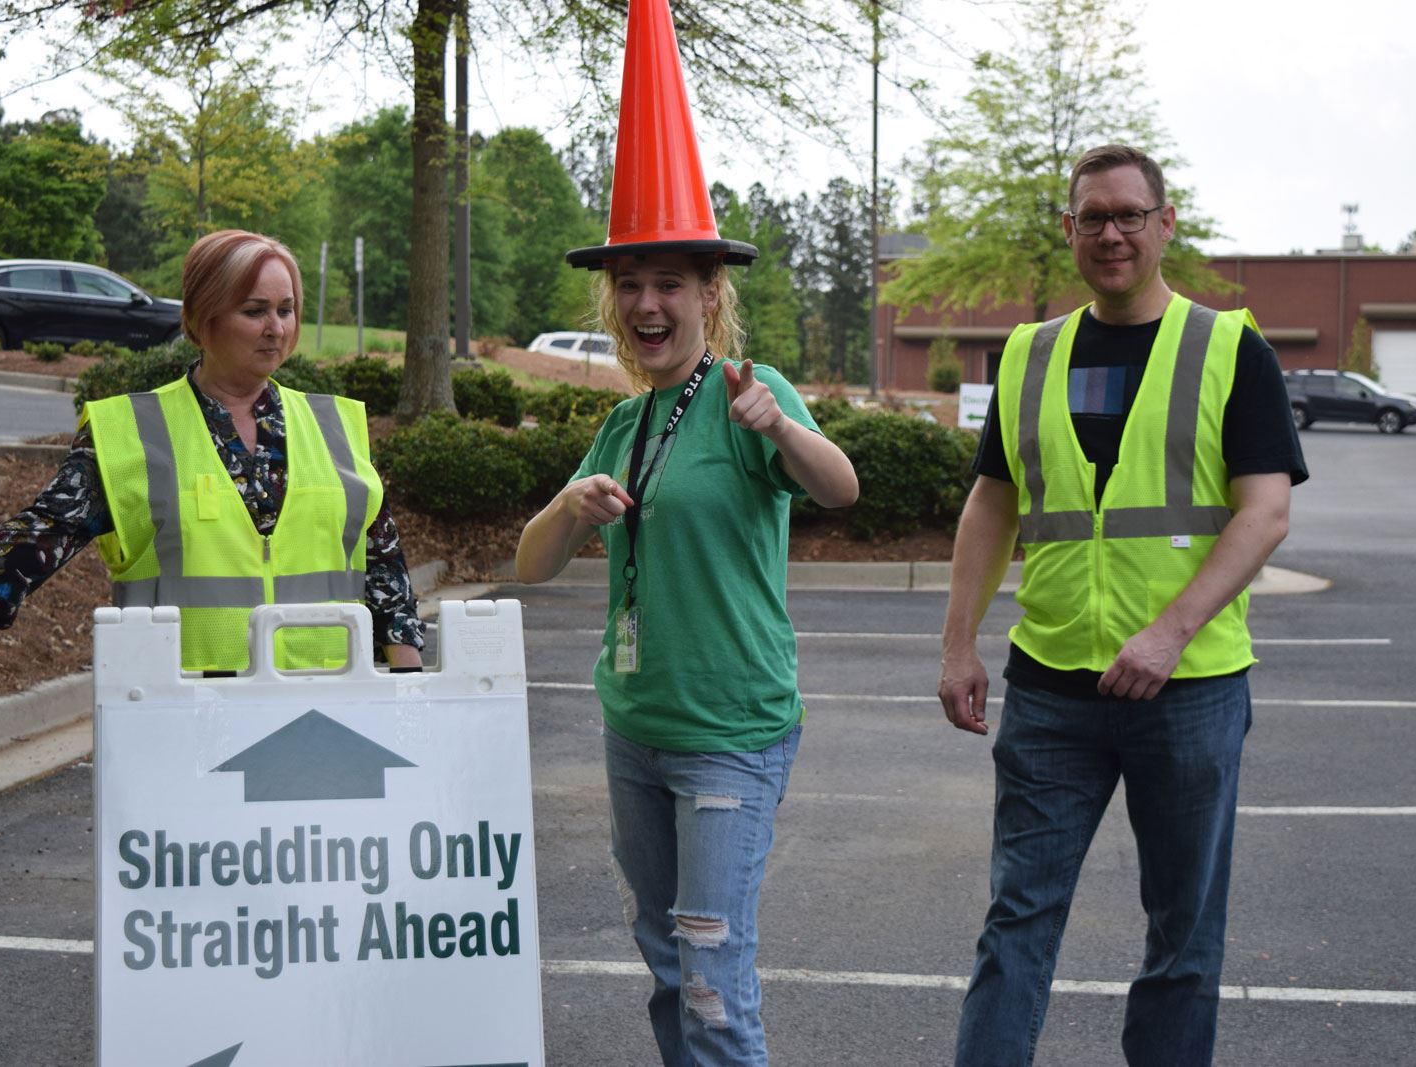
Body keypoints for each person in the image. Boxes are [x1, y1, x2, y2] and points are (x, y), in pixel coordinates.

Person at [937, 144, 1307, 1066]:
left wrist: (1168, 634)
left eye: (1129, 215)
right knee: (1015, 920)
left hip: (1188, 687)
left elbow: (1265, 513)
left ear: (1164, 223)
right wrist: (958, 644)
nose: (1111, 234)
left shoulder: (1230, 347)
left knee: (1183, 936)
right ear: (1069, 230)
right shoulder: (1030, 351)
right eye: (1092, 217)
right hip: (1053, 685)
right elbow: (993, 500)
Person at [516, 248, 857, 1064]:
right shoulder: (625, 424)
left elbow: (840, 487)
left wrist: (778, 424)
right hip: (635, 728)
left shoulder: (744, 393)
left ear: (708, 294)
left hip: (729, 736)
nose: (647, 304)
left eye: (668, 284)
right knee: (669, 959)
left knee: (710, 975)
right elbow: (531, 565)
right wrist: (569, 504)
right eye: (629, 286)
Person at [0, 229, 423, 676]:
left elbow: (386, 576)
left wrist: (408, 694)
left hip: (328, 710)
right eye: (254, 310)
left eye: (286, 309)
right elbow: (41, 533)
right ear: (202, 318)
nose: (277, 328)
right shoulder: (132, 431)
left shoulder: (334, 425)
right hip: (182, 712)